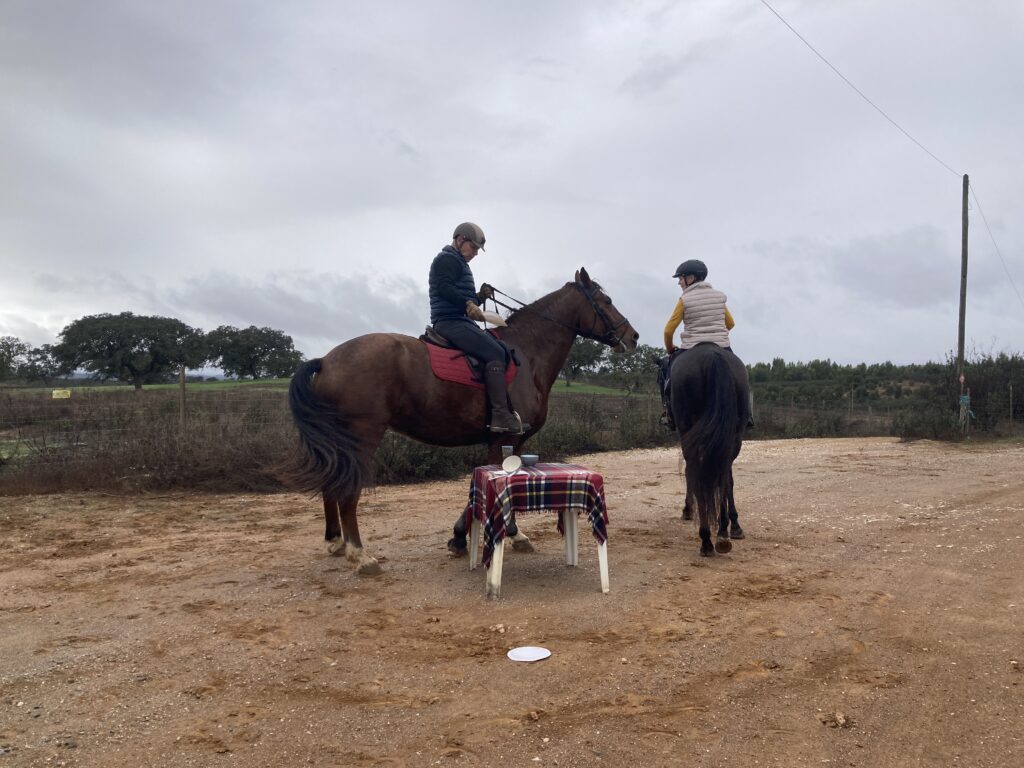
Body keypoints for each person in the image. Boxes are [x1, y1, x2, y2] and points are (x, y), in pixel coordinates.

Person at [429, 222, 527, 434]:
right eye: (473, 247)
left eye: (476, 249)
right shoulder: (447, 259)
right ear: (460, 240)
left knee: (500, 348)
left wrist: (479, 297)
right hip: (448, 321)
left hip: (460, 320)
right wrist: (467, 304)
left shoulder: (460, 263)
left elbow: (466, 300)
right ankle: (500, 415)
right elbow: (443, 288)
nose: (475, 253)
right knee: (493, 352)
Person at [658, 258, 737, 430]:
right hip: (721, 345)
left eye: (681, 278)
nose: (679, 282)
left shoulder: (684, 300)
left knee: (667, 370)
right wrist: (715, 334)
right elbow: (730, 324)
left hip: (690, 347)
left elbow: (668, 331)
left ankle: (669, 413)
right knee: (739, 373)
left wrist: (671, 349)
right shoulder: (719, 296)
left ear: (691, 278)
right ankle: (746, 415)